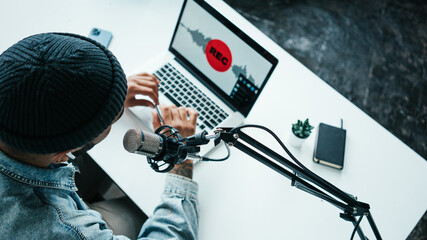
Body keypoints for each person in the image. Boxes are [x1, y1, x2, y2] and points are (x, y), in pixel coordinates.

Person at [0, 32, 199, 239]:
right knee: (130, 216)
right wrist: (180, 154)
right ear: (63, 154)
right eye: (112, 119)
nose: (115, 113)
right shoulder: (69, 230)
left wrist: (104, 94)